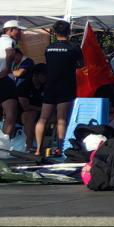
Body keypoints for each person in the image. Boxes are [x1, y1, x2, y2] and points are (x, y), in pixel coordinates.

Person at [32, 20, 81, 157]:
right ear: (69, 32)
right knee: (61, 119)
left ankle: (37, 150)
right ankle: (60, 148)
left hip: (50, 86)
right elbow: (81, 65)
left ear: (54, 32)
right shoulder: (74, 47)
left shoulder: (49, 48)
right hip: (65, 86)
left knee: (43, 118)